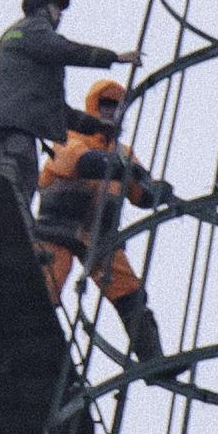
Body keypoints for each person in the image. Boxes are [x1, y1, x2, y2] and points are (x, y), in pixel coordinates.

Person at [33, 75, 178, 376]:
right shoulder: (70, 135)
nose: (112, 111)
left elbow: (140, 193)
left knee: (130, 292)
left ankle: (154, 362)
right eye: (106, 104)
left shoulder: (123, 152)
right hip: (58, 228)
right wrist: (126, 169)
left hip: (101, 236)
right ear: (93, 107)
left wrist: (158, 191)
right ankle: (26, 342)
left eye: (117, 106)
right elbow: (80, 162)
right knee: (48, 282)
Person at [0, 0, 133, 211]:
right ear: (45, 9)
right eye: (57, 8)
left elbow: (57, 111)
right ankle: (7, 225)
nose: (60, 15)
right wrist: (113, 57)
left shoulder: (28, 50)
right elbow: (65, 49)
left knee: (6, 178)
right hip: (11, 126)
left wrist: (97, 126)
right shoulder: (33, 28)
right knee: (21, 172)